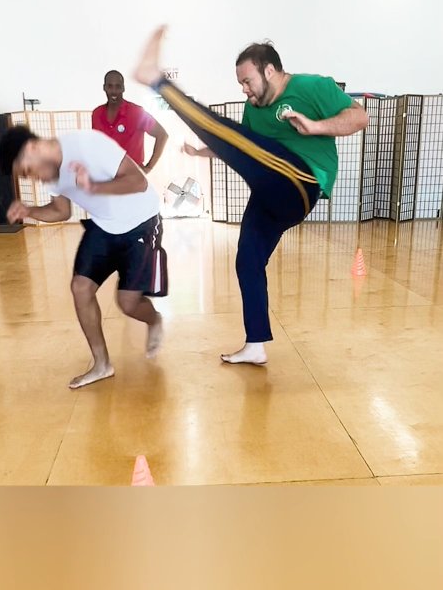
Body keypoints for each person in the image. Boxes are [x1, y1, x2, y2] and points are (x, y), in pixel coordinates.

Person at [134, 27, 368, 367]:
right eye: (240, 84)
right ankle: (255, 344)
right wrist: (202, 151)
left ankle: (157, 81)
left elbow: (360, 117)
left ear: (269, 71)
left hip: (300, 181)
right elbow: (241, 145)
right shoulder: (254, 108)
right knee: (247, 261)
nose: (244, 89)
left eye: (247, 81)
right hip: (270, 192)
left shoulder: (313, 86)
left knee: (227, 132)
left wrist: (315, 127)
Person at [0, 125, 165, 389]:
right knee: (80, 287)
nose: (33, 179)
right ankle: (102, 364)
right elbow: (61, 211)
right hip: (104, 225)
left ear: (32, 148)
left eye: (27, 171)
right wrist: (29, 211)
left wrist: (94, 186)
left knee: (128, 303)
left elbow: (139, 182)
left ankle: (154, 320)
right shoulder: (51, 173)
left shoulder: (87, 145)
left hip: (141, 222)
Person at [92, 69, 168, 172]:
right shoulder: (96, 114)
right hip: (106, 174)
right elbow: (96, 145)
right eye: (110, 86)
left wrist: (149, 167)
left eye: (118, 86)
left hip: (132, 175)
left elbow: (162, 135)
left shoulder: (136, 112)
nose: (114, 91)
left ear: (123, 88)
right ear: (104, 87)